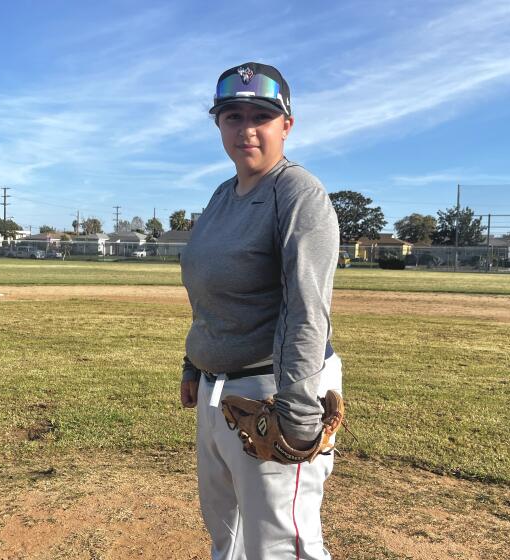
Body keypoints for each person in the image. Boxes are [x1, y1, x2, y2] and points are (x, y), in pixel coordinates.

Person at [179, 62, 342, 560]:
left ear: (286, 125)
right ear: (219, 124)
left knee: (280, 543)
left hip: (274, 389)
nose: (246, 129)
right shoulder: (222, 195)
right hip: (219, 388)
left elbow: (307, 310)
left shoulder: (298, 194)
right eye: (232, 116)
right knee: (224, 532)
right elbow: (210, 291)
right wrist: (195, 364)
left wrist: (297, 407)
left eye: (261, 116)